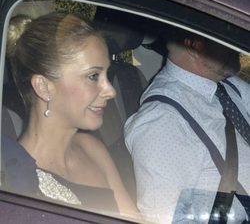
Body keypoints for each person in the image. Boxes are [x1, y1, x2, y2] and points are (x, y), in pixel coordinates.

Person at [4, 12, 139, 219]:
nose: (110, 91)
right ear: (44, 87)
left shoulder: (92, 148)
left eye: (106, 75)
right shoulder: (16, 179)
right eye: (93, 76)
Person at [125, 26, 250, 223]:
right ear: (194, 46)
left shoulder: (228, 85)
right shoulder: (163, 122)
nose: (234, 45)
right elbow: (163, 218)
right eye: (226, 37)